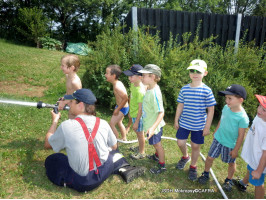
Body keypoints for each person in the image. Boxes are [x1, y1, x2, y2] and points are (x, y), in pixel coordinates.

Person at [44, 89, 146, 192]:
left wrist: (55, 121)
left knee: (53, 159)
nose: (70, 105)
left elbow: (48, 144)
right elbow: (114, 147)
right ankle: (122, 167)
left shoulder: (66, 126)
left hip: (82, 182)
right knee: (112, 152)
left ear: (81, 105)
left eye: (72, 102)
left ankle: (68, 180)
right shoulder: (103, 123)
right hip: (102, 172)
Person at [198, 84, 249, 192]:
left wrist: (236, 150)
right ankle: (205, 173)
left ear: (240, 100)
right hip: (218, 139)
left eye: (230, 98)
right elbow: (222, 119)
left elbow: (241, 136)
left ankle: (228, 180)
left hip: (230, 144)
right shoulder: (226, 108)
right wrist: (216, 130)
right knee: (210, 157)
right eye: (226, 98)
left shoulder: (243, 118)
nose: (227, 101)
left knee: (231, 163)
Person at [174, 59, 216, 181]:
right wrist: (176, 120)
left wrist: (207, 126)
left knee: (195, 146)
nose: (195, 73)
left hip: (198, 125)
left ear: (205, 73)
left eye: (198, 71)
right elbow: (180, 105)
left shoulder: (207, 90)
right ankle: (185, 156)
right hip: (184, 123)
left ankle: (193, 166)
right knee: (180, 142)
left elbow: (211, 110)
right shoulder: (184, 89)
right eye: (192, 70)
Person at [233, 94, 266, 198]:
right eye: (260, 106)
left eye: (264, 110)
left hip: (260, 162)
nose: (259, 110)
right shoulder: (259, 116)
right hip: (254, 155)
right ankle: (243, 183)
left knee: (258, 182)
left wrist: (259, 171)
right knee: (250, 168)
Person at [138, 64, 166, 174]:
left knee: (157, 145)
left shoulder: (155, 94)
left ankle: (162, 165)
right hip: (150, 124)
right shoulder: (150, 88)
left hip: (154, 127)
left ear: (152, 77)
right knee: (155, 144)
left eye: (144, 75)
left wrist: (153, 128)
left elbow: (161, 112)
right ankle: (156, 156)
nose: (141, 77)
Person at [123, 64, 146, 159]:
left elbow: (141, 108)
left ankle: (142, 152)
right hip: (134, 115)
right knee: (138, 133)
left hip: (138, 117)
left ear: (140, 77)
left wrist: (136, 121)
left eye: (131, 76)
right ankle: (140, 147)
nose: (129, 78)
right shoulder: (133, 85)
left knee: (140, 135)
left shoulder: (140, 91)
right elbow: (132, 99)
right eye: (129, 76)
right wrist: (130, 112)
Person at [105, 65, 129, 141]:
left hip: (122, 108)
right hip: (122, 107)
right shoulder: (117, 83)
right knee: (119, 122)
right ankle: (124, 138)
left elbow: (125, 98)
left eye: (107, 73)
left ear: (113, 76)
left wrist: (117, 109)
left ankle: (115, 139)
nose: (105, 75)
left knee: (111, 124)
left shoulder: (117, 86)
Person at [58, 54, 82, 119]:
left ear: (72, 68)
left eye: (63, 66)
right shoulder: (68, 76)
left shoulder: (75, 82)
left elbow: (78, 96)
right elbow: (69, 91)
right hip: (71, 104)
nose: (61, 67)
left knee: (74, 121)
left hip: (76, 107)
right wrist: (64, 97)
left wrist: (64, 102)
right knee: (70, 119)